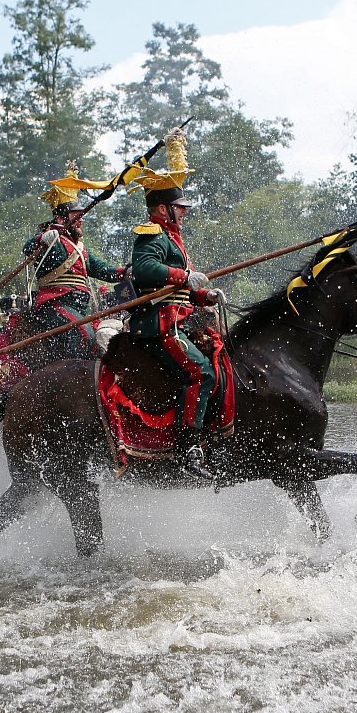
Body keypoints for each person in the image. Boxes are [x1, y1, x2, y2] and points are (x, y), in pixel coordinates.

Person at [126, 128, 226, 477]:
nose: (183, 214)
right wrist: (185, 277)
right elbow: (145, 269)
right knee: (200, 371)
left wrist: (204, 294)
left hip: (180, 316)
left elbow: (186, 289)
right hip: (160, 322)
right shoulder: (152, 235)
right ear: (162, 209)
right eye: (179, 208)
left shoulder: (175, 241)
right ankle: (188, 448)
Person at [22, 160, 128, 360]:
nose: (81, 219)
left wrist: (126, 272)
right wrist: (41, 239)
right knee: (82, 334)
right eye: (76, 215)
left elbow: (103, 270)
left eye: (81, 215)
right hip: (54, 305)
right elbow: (27, 248)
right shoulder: (50, 238)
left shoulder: (80, 247)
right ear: (62, 218)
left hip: (80, 306)